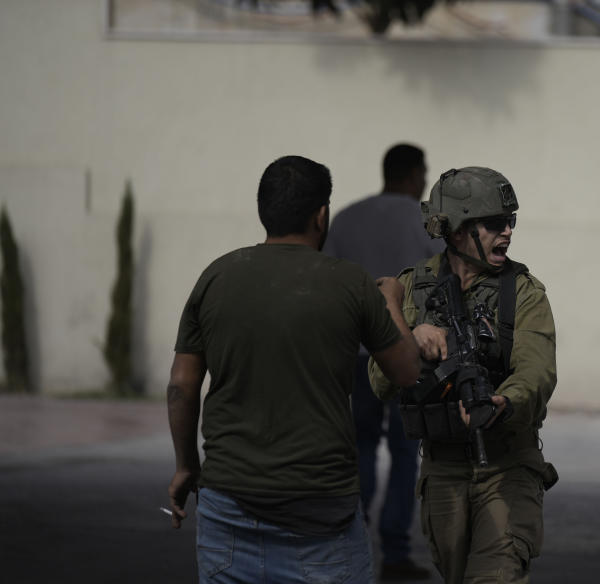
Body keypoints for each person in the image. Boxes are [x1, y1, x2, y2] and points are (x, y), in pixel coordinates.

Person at [166, 155, 420, 584]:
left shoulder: (217, 276)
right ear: (321, 215)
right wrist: (391, 298)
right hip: (321, 520)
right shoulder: (352, 283)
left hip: (227, 507)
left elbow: (181, 385)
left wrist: (186, 464)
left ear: (263, 210)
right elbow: (407, 372)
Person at [369, 167, 558, 584]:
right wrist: (409, 339)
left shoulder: (522, 291)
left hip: (508, 467)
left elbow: (537, 370)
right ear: (455, 231)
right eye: (494, 224)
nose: (507, 232)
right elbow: (380, 383)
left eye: (511, 221)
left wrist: (502, 403)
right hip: (443, 472)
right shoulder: (411, 289)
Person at [325, 143, 442, 581]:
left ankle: (353, 544)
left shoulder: (348, 218)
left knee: (359, 448)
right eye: (424, 173)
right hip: (410, 357)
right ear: (413, 174)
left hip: (356, 356)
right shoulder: (426, 222)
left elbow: (328, 286)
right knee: (405, 451)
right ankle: (394, 553)